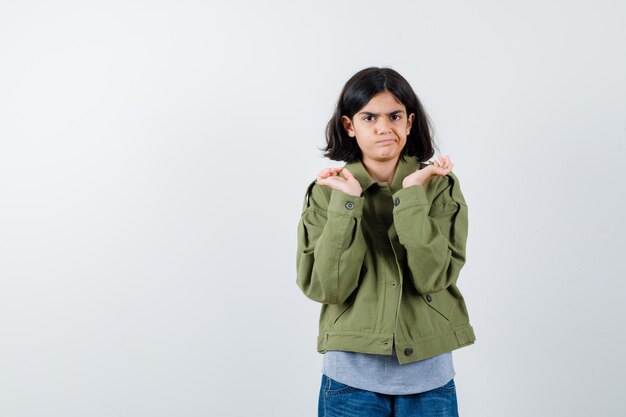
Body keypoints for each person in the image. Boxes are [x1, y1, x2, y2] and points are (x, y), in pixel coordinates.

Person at [295, 67, 476, 417]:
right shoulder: (326, 192)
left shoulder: (439, 185)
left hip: (429, 378)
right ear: (350, 126)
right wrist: (347, 203)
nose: (383, 128)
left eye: (394, 116)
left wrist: (411, 197)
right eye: (369, 117)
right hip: (350, 379)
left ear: (409, 122)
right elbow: (326, 288)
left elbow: (433, 278)